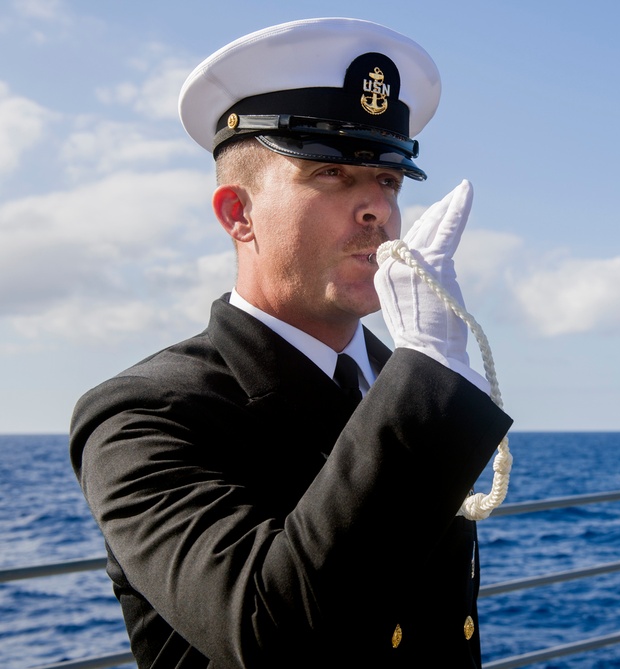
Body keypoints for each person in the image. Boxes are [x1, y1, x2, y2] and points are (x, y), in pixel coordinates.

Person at [69, 17, 512, 669]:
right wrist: (425, 377)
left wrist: (423, 375)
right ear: (236, 214)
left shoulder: (405, 380)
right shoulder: (141, 415)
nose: (377, 209)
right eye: (332, 173)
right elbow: (271, 634)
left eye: (389, 180)